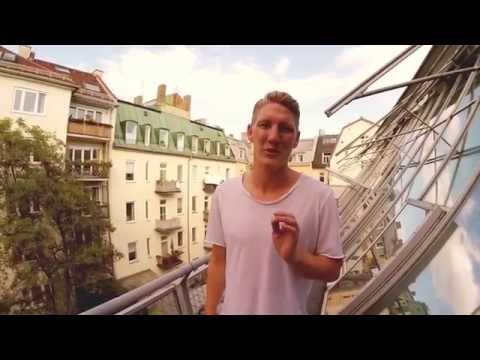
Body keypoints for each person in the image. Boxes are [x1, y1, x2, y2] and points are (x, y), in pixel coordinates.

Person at [205, 91, 343, 315]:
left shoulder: (320, 197)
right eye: (265, 125)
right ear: (250, 132)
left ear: (296, 138)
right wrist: (210, 311)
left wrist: (295, 256)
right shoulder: (224, 193)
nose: (273, 137)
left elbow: (332, 269)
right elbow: (218, 262)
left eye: (285, 128)